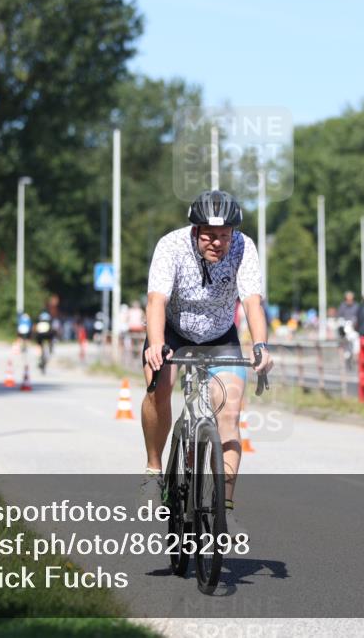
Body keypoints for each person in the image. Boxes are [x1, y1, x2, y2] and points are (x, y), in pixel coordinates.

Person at [141, 190, 273, 538]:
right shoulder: (171, 246)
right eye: (210, 236)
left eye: (225, 236)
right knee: (160, 387)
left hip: (219, 335)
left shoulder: (244, 248)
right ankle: (155, 471)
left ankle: (222, 510)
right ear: (195, 231)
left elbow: (252, 302)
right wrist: (156, 345)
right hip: (171, 331)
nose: (218, 243)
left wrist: (260, 345)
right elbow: (156, 300)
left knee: (228, 412)